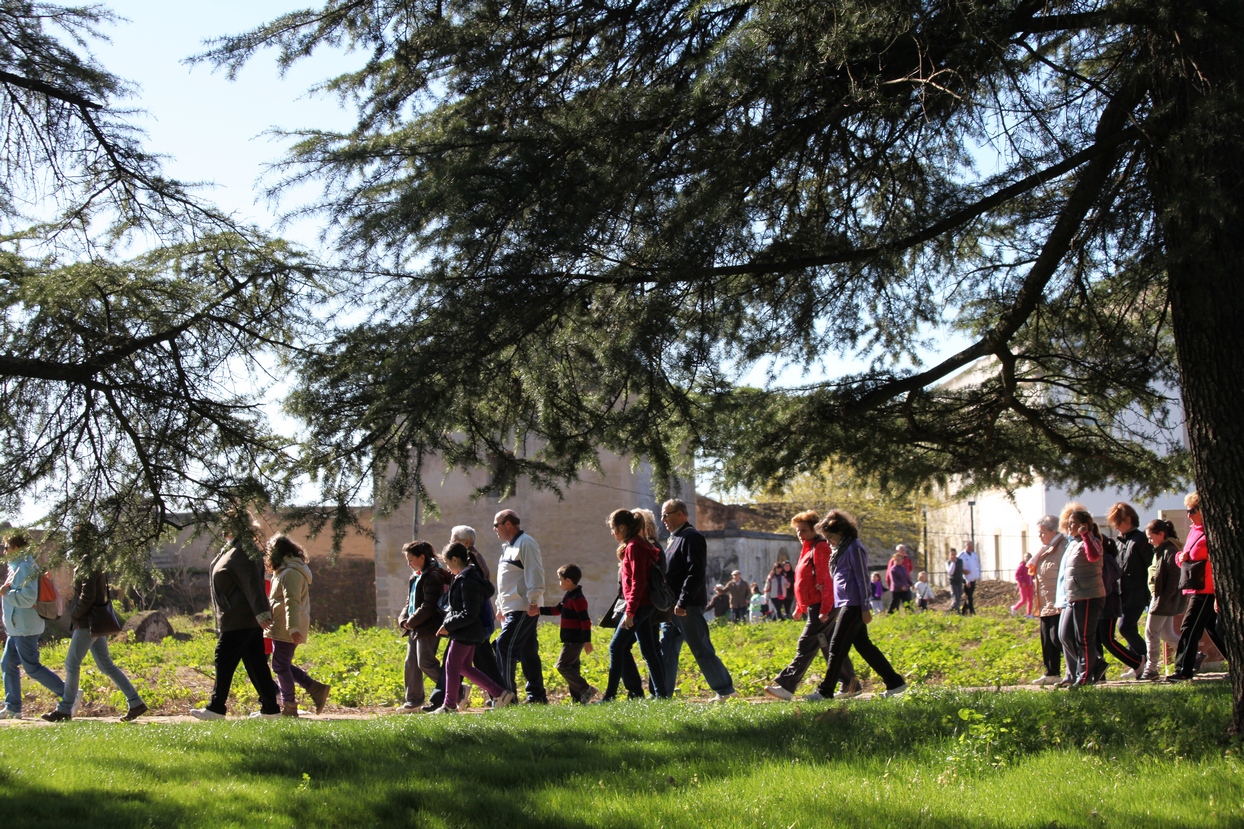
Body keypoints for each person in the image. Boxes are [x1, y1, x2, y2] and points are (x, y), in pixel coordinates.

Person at [43, 524, 146, 722]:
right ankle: (135, 702)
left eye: (76, 537)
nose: (73, 541)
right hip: (95, 622)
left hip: (87, 622)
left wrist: (74, 614)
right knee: (106, 664)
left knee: (71, 663)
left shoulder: (88, 561)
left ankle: (65, 709)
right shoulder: (95, 559)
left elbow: (87, 595)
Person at [191, 508, 282, 719]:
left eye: (226, 522)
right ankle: (270, 709)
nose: (222, 527)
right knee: (255, 662)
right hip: (238, 617)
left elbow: (252, 583)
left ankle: (216, 708)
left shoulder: (244, 550)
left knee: (223, 658)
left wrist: (261, 613)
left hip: (240, 617)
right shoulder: (233, 548)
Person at [807, 510, 907, 700]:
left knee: (836, 646)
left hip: (853, 604)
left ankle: (825, 690)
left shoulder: (854, 547)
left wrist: (864, 606)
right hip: (846, 602)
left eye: (830, 537)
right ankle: (895, 683)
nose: (828, 542)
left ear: (841, 532)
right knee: (863, 645)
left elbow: (862, 578)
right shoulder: (841, 549)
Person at [765, 511, 860, 701]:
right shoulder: (807, 548)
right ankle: (851, 684)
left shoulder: (820, 548)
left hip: (822, 606)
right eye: (798, 531)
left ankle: (786, 685)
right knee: (828, 646)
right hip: (814, 606)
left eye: (804, 530)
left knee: (806, 643)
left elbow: (825, 581)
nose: (800, 534)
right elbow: (805, 582)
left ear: (814, 530)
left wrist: (824, 609)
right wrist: (800, 607)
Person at [433, 542, 516, 713]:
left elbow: (468, 613)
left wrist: (448, 625)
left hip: (465, 631)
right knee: (464, 667)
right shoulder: (469, 577)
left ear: (455, 560)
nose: (448, 569)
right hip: (469, 631)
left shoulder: (467, 580)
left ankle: (449, 705)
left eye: (448, 564)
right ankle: (499, 693)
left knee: (451, 665)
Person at [601, 508, 670, 701]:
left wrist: (630, 611)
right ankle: (662, 696)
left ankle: (610, 697)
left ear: (622, 527)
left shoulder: (634, 547)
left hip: (639, 606)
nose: (612, 533)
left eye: (613, 528)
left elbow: (638, 582)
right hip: (645, 606)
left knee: (616, 648)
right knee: (649, 650)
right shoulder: (638, 544)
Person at [1, 532, 67, 720]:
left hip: (25, 627)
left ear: (18, 549)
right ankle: (13, 707)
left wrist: (7, 593)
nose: (4, 552)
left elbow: (28, 597)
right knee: (7, 663)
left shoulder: (25, 568)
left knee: (32, 667)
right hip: (17, 628)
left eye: (7, 548)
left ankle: (68, 694)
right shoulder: (16, 567)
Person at [266, 534, 331, 717]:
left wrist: (293, 629)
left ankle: (290, 706)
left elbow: (292, 602)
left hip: (287, 627)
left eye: (270, 552)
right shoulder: (284, 571)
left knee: (279, 666)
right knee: (282, 664)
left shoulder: (291, 572)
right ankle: (316, 688)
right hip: (281, 626)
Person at [493, 509, 547, 704]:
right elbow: (505, 580)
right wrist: (500, 605)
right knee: (527, 650)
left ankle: (507, 696)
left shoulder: (526, 542)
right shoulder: (507, 547)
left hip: (523, 606)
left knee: (504, 645)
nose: (495, 529)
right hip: (512, 606)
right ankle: (537, 696)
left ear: (508, 524)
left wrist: (534, 600)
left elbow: (535, 571)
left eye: (496, 525)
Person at [1170, 491, 1225, 682]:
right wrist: (1180, 558)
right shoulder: (1194, 530)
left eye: (1192, 510)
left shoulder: (1212, 531)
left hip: (1206, 588)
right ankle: (1236, 663)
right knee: (1213, 629)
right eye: (1187, 511)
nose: (1189, 515)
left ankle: (1183, 670)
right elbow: (1184, 556)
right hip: (1194, 585)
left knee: (1189, 627)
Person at [396, 540, 449, 712]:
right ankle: (414, 700)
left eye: (411, 559)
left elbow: (429, 606)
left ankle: (456, 689)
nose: (408, 563)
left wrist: (410, 622)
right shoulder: (416, 577)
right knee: (411, 663)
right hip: (415, 627)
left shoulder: (432, 576)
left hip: (428, 627)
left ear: (422, 557)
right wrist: (403, 619)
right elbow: (409, 602)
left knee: (425, 663)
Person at [1057, 509, 1105, 687]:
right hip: (1073, 597)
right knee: (1066, 635)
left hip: (1089, 596)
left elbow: (1093, 556)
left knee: (1084, 637)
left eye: (1073, 523)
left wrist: (1086, 534)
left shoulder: (1092, 540)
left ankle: (1084, 677)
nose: (1069, 526)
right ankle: (1095, 664)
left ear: (1084, 525)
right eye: (1068, 523)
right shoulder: (1073, 543)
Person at [1090, 524, 1142, 681]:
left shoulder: (1107, 560)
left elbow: (1106, 583)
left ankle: (1137, 663)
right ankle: (1099, 676)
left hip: (1108, 606)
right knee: (1096, 640)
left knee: (1108, 640)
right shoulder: (1100, 559)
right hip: (1098, 606)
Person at [539, 564, 596, 703]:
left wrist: (587, 641)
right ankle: (578, 699)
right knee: (573, 668)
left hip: (575, 640)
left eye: (560, 579)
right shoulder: (569, 596)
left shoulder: (578, 599)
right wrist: (539, 611)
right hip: (570, 639)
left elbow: (585, 621)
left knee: (562, 665)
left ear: (568, 581)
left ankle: (586, 689)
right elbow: (558, 609)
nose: (559, 583)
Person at [1140, 519, 1185, 681]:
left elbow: (1174, 578)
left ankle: (1151, 669)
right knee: (1167, 633)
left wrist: (1163, 599)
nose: (1149, 541)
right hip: (1161, 598)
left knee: (1151, 632)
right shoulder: (1161, 550)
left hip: (1162, 599)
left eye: (1151, 537)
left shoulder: (1169, 551)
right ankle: (1191, 654)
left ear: (1161, 534)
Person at [1109, 502, 1153, 663]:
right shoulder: (1120, 541)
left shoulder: (1141, 540)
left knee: (1125, 627)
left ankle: (1145, 660)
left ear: (1128, 519)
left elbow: (1149, 566)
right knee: (1131, 627)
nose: (1116, 527)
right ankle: (1137, 661)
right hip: (1123, 592)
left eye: (1118, 523)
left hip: (1138, 592)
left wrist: (1149, 592)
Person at [959, 541, 980, 615]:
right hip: (966, 579)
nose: (970, 548)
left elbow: (977, 565)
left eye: (971, 546)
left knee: (970, 596)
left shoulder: (974, 555)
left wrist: (977, 574)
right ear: (966, 546)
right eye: (969, 546)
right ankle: (972, 612)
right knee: (969, 596)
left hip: (973, 578)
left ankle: (964, 611)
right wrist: (963, 572)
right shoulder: (961, 555)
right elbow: (958, 567)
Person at [1011, 552, 1035, 618]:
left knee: (1030, 600)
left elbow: (1032, 574)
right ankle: (1014, 608)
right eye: (1026, 556)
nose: (1027, 558)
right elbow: (1017, 575)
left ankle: (1029, 614)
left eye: (1029, 557)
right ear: (1024, 558)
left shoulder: (1031, 565)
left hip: (1030, 585)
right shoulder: (1022, 565)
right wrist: (1022, 582)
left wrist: (1034, 579)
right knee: (1023, 600)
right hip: (1023, 586)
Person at [946, 549, 964, 613]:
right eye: (952, 554)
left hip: (959, 581)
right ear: (949, 555)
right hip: (952, 582)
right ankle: (958, 611)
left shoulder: (960, 561)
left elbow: (961, 571)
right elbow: (951, 572)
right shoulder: (948, 562)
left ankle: (950, 610)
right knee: (955, 596)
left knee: (958, 597)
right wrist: (953, 563)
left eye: (954, 554)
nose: (953, 556)